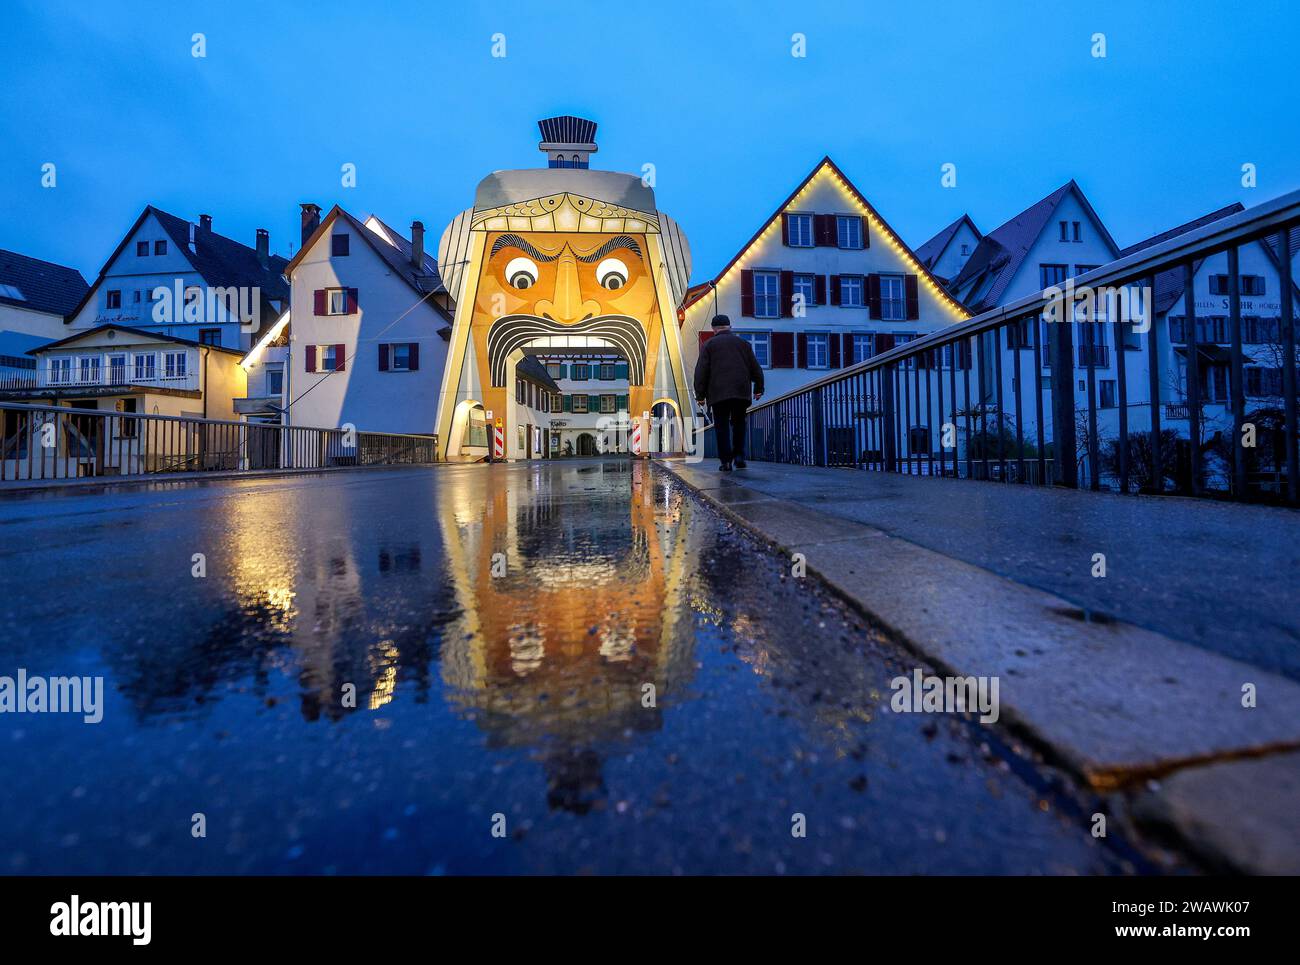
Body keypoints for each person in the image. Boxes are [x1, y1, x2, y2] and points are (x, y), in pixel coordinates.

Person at [693, 314, 764, 471]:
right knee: (739, 423)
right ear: (729, 327)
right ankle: (739, 457)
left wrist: (700, 396)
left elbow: (701, 372)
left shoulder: (708, 345)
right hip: (741, 391)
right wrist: (758, 389)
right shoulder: (743, 344)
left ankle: (725, 462)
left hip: (718, 394)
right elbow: (755, 368)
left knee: (721, 426)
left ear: (713, 329)